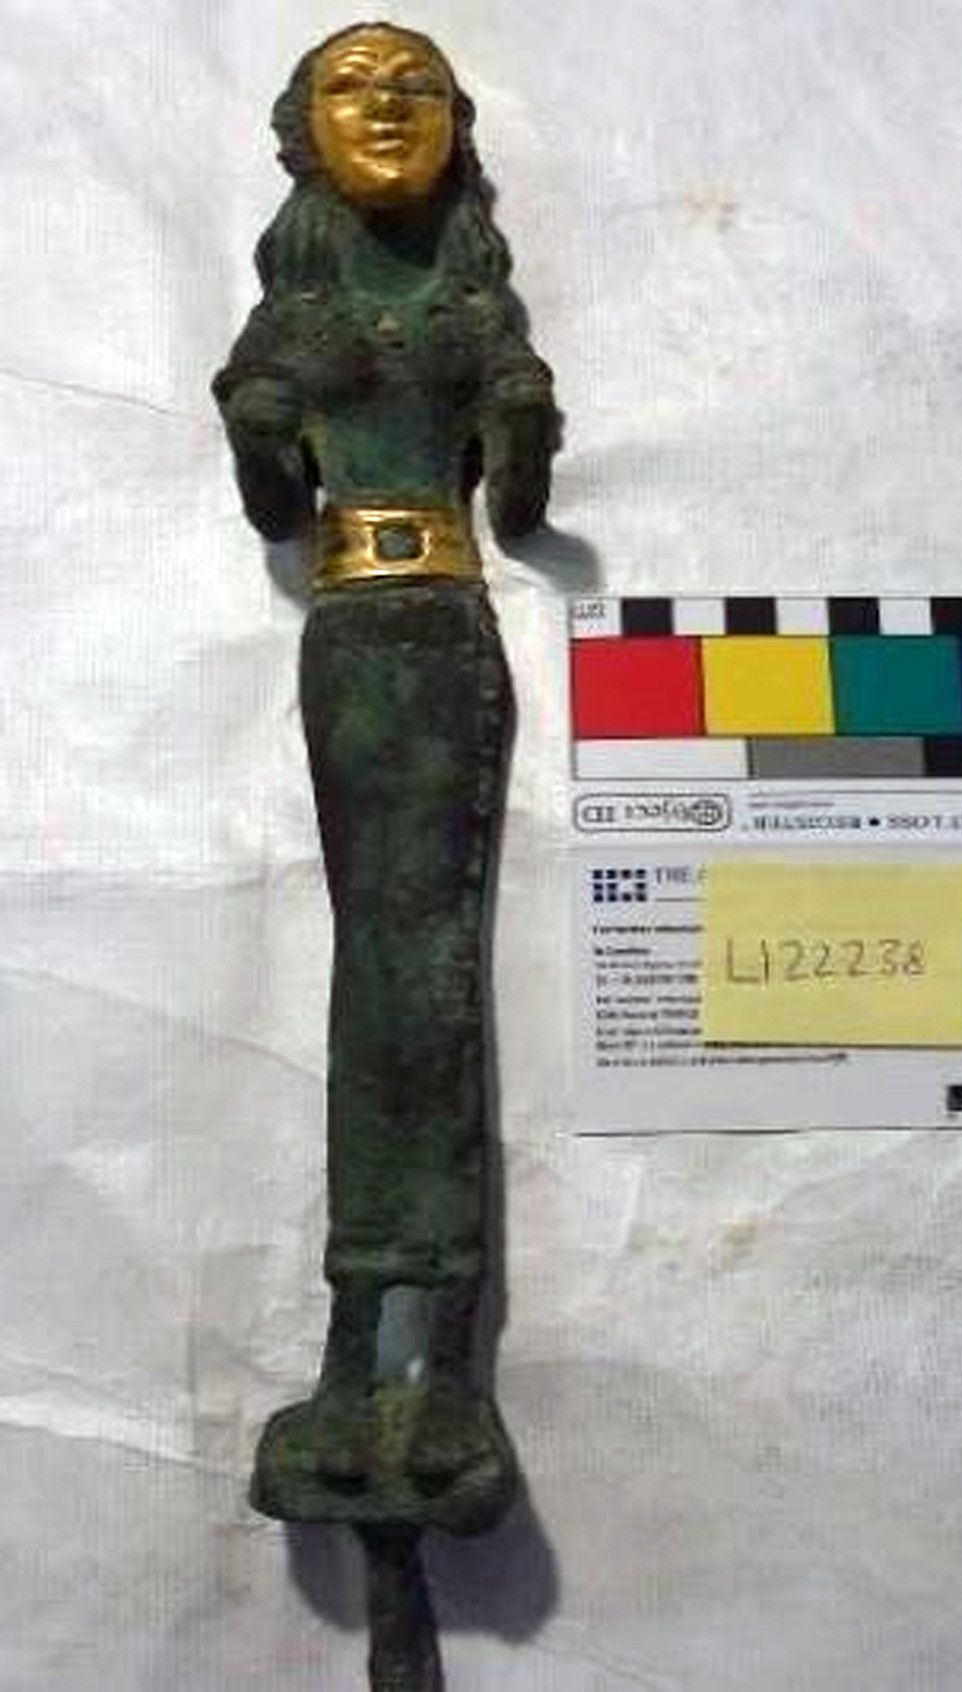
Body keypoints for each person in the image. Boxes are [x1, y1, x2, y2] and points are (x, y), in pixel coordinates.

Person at [213, 23, 559, 1519]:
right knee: (382, 969)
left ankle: (442, 1364)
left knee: (426, 971)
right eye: (353, 89)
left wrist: (522, 423)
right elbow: (275, 513)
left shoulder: (471, 308)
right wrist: (257, 436)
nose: (388, 108)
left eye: (416, 87)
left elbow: (519, 505)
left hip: (446, 637)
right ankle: (364, 1347)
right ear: (305, 133)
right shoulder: (296, 318)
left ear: (455, 126)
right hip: (352, 636)